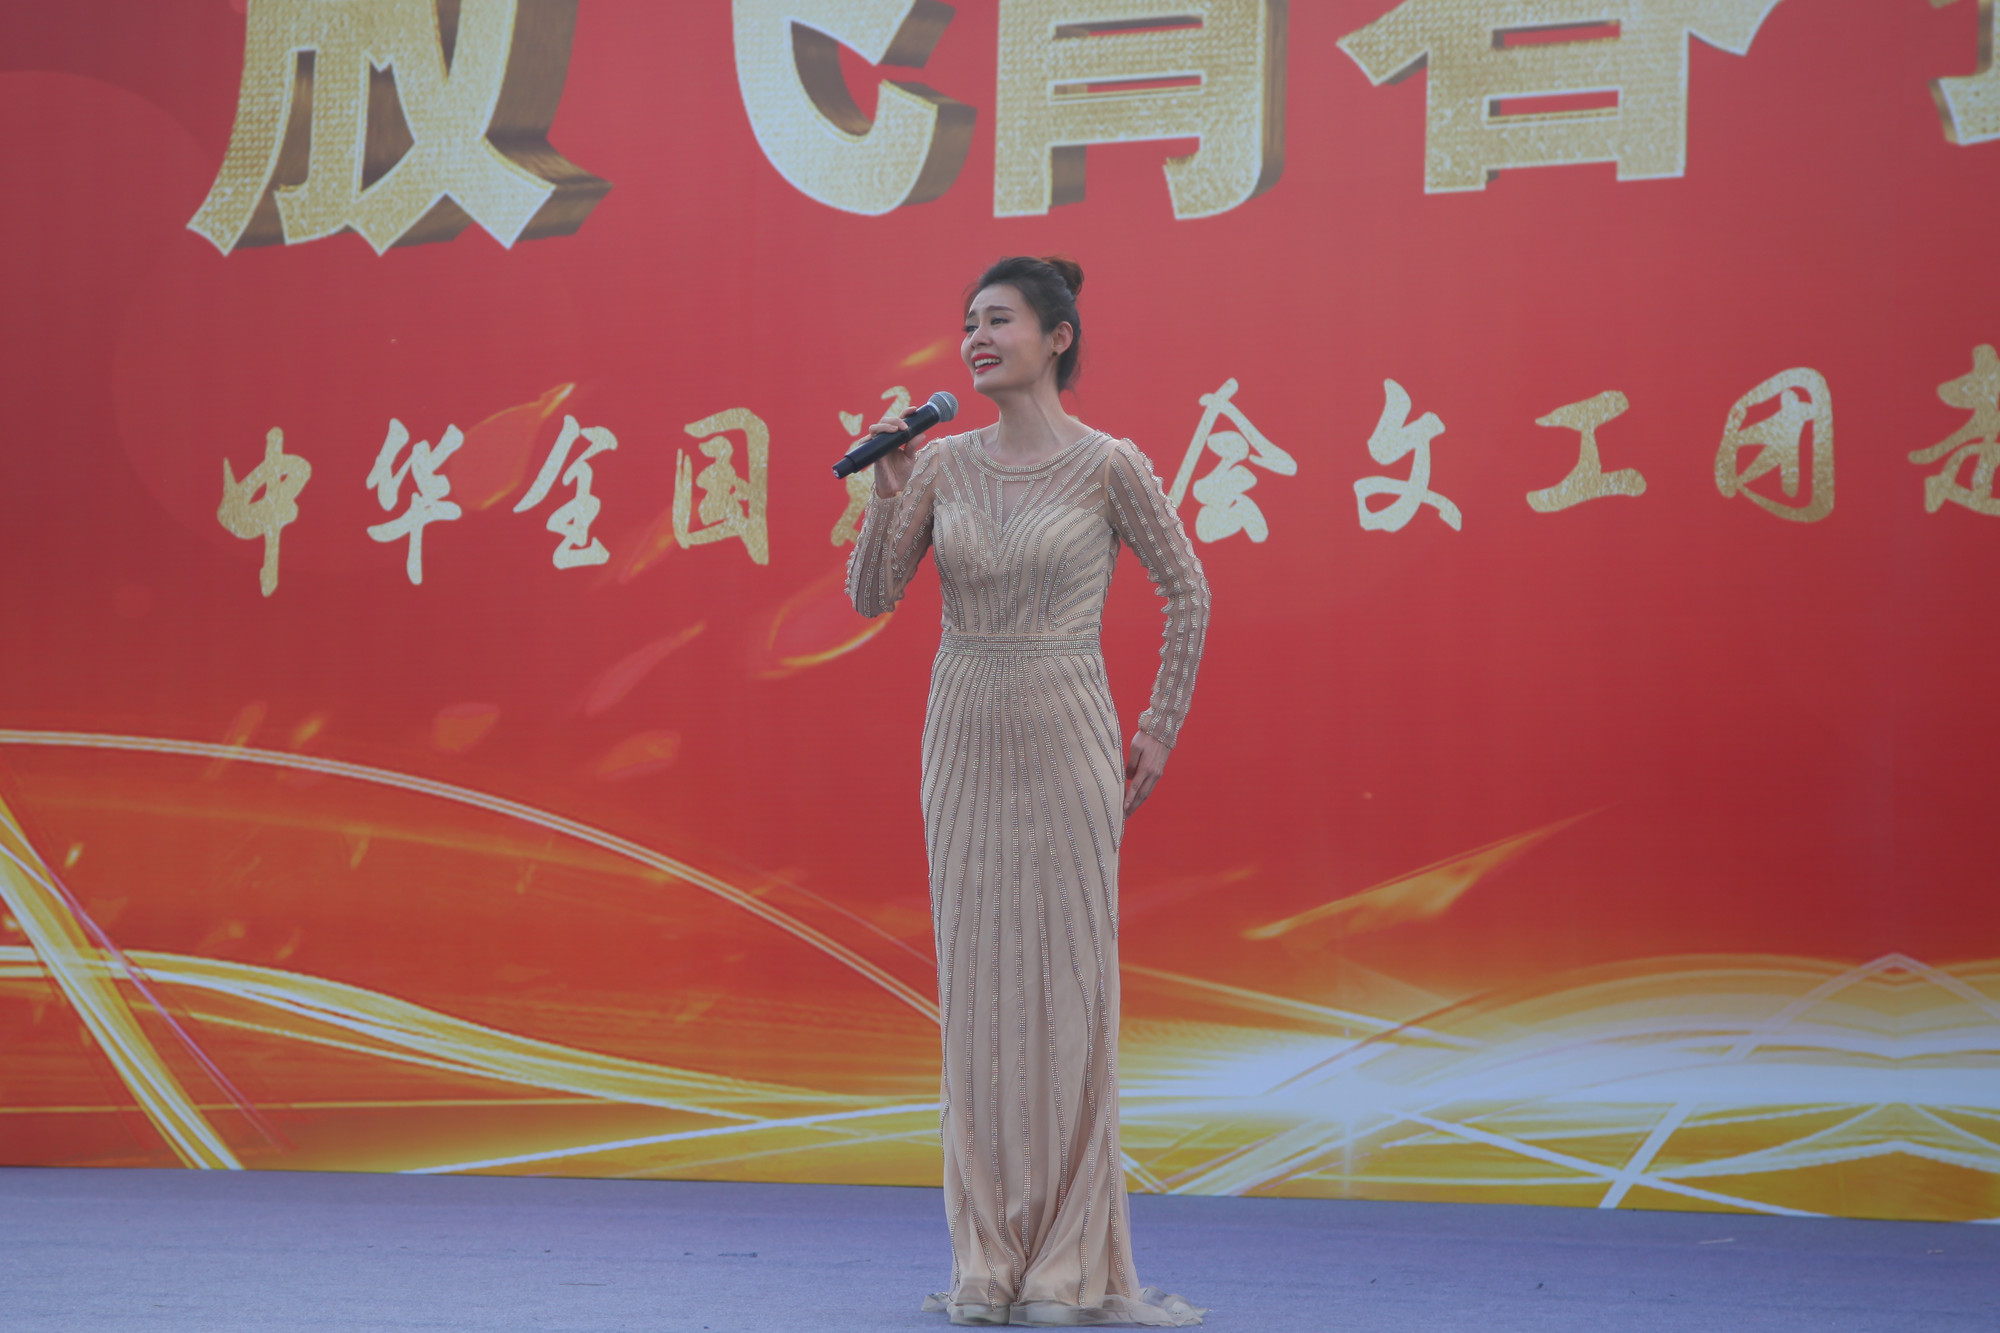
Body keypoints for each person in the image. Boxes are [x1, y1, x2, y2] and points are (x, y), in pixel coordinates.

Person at [846, 256, 1210, 1327]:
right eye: (967, 321)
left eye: (997, 319)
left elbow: (1188, 592)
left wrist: (1156, 727)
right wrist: (887, 489)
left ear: (1057, 337)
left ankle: (1066, 1260)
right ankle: (986, 1257)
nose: (976, 336)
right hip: (961, 736)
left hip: (1068, 738)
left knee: (1066, 993)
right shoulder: (940, 466)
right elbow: (871, 595)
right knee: (977, 1000)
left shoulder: (1109, 465)